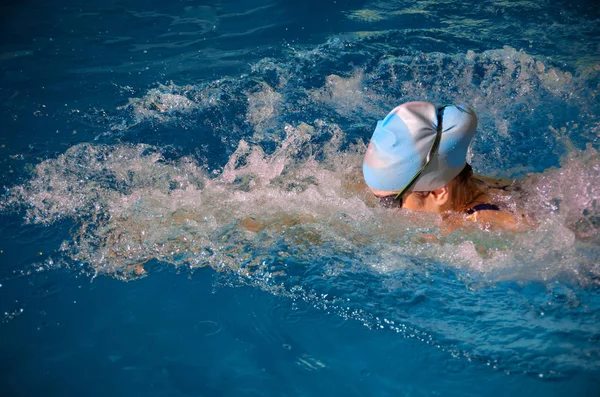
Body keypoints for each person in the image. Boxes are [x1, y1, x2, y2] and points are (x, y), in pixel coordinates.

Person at [362, 101, 529, 231]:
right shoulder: (467, 189)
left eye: (389, 203)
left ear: (438, 192)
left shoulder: (483, 224)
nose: (385, 211)